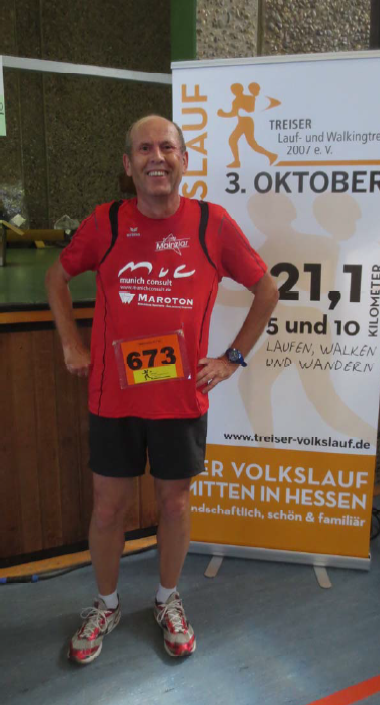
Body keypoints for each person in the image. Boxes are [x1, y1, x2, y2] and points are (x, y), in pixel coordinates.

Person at [45, 115, 278, 664]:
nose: (157, 157)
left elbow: (266, 289)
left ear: (183, 160)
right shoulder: (106, 222)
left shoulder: (211, 224)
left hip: (179, 400)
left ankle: (167, 599)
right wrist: (70, 343)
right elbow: (57, 276)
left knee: (174, 504)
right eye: (145, 148)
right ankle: (106, 605)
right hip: (114, 398)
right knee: (109, 509)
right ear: (128, 165)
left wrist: (232, 359)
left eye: (167, 147)